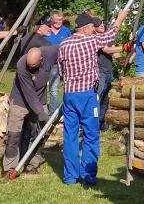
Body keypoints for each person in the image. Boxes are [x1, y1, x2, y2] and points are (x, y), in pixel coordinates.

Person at [58, 10, 127, 186]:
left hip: (69, 95)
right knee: (91, 134)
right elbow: (110, 34)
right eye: (92, 27)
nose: (94, 29)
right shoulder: (90, 41)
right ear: (86, 28)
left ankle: (70, 177)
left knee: (70, 135)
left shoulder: (64, 44)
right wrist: (119, 18)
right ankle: (88, 175)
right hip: (87, 95)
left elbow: (60, 71)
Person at [1, 45, 58, 181]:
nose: (31, 68)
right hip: (20, 101)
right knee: (14, 135)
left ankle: (32, 164)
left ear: (41, 59)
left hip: (40, 99)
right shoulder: (22, 64)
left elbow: (67, 48)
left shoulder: (50, 52)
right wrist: (41, 112)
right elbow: (29, 93)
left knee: (40, 134)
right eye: (29, 65)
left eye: (34, 65)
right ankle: (8, 168)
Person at [94, 17, 122, 129]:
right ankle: (93, 124)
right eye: (99, 24)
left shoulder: (107, 38)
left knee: (105, 99)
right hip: (100, 73)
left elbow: (114, 51)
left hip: (109, 72)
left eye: (102, 23)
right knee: (98, 98)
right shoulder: (95, 38)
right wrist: (125, 47)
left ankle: (100, 123)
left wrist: (122, 60)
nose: (102, 25)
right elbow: (107, 50)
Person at [44, 10, 71, 114]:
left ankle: (53, 113)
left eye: (60, 20)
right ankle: (45, 111)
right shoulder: (47, 31)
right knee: (46, 88)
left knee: (56, 89)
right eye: (56, 21)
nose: (59, 22)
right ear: (51, 20)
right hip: (46, 63)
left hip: (62, 63)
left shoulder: (66, 31)